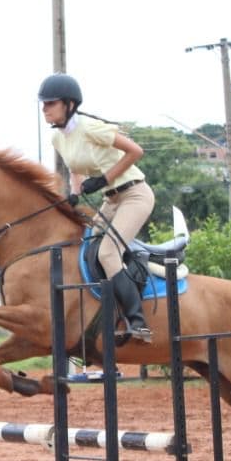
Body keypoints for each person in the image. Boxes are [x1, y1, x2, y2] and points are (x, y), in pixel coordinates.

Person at [39, 73, 155, 343]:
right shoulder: (59, 139)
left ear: (69, 104)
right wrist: (75, 193)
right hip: (111, 200)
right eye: (43, 104)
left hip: (135, 195)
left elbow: (136, 151)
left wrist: (104, 178)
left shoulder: (91, 128)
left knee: (107, 253)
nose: (44, 109)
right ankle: (107, 313)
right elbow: (74, 169)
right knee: (86, 247)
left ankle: (138, 322)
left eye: (50, 103)